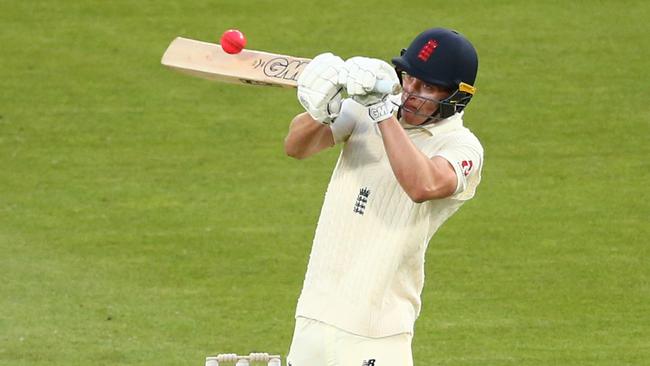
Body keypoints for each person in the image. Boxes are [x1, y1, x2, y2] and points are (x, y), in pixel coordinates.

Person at [284, 28, 484, 366]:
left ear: (456, 97)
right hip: (314, 314)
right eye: (409, 78)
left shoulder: (462, 147)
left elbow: (423, 186)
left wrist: (380, 112)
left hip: (378, 331)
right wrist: (321, 109)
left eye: (428, 87)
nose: (411, 93)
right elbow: (296, 147)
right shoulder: (368, 107)